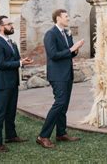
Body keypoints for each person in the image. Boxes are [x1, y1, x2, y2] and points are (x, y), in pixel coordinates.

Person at [36, 9, 84, 148]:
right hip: (57, 75)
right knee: (59, 103)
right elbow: (53, 54)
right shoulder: (50, 34)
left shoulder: (67, 33)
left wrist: (75, 50)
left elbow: (69, 54)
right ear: (58, 18)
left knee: (64, 104)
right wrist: (71, 49)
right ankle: (43, 136)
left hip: (67, 73)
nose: (68, 18)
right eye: (66, 16)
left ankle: (61, 133)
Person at [0, 16, 33, 153]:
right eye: (9, 24)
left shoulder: (12, 43)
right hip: (2, 84)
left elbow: (14, 60)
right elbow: (1, 64)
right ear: (1, 27)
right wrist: (20, 63)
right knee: (0, 114)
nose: (12, 26)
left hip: (13, 82)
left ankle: (11, 135)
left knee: (11, 111)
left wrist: (22, 60)